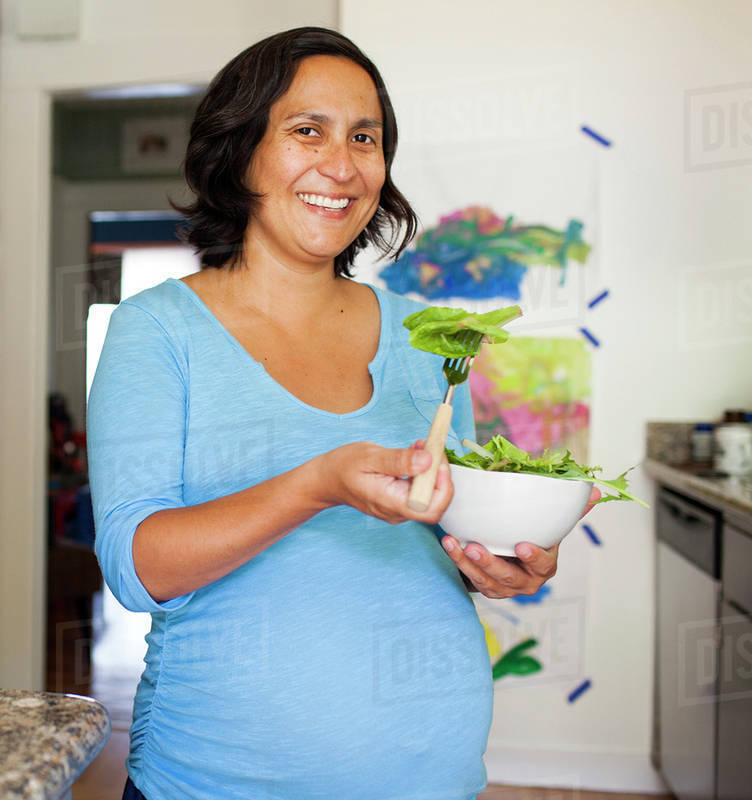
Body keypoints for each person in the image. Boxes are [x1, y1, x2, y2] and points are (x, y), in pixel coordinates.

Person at [87, 27, 597, 799]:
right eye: (306, 131)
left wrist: (504, 563)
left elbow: (451, 525)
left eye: (365, 136)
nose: (341, 163)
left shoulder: (427, 334)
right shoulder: (157, 329)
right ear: (242, 150)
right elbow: (135, 565)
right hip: (222, 779)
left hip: (433, 773)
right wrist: (316, 484)